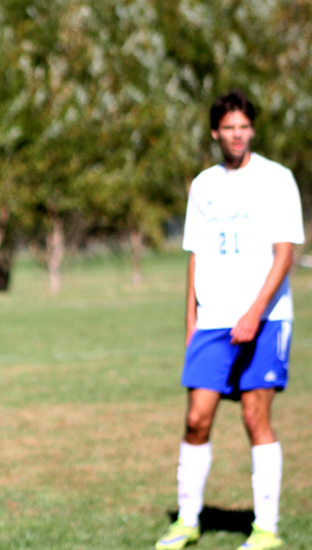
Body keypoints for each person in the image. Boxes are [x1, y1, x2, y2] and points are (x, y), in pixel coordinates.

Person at [155, 90, 303, 550]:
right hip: (213, 322)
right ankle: (187, 521)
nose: (237, 135)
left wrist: (254, 313)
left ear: (251, 130)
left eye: (244, 127)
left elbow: (286, 254)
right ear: (216, 132)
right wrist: (190, 324)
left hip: (266, 317)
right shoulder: (203, 185)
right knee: (196, 419)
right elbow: (195, 258)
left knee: (256, 418)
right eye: (229, 128)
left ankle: (266, 528)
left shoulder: (277, 179)